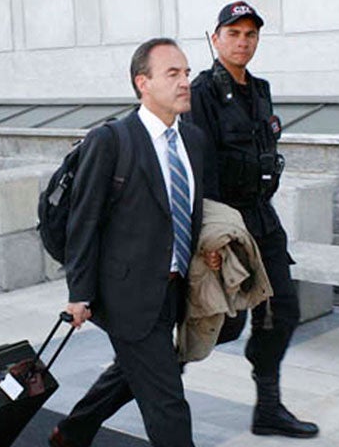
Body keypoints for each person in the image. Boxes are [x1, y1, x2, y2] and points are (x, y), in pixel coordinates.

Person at [49, 38, 212, 447]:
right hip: (126, 294)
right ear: (143, 83)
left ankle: (72, 432)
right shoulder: (111, 140)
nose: (185, 82)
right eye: (172, 73)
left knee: (135, 369)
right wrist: (79, 294)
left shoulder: (193, 141)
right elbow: (84, 221)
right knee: (167, 402)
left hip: (174, 289)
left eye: (186, 73)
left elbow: (188, 211)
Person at [186, 1, 319, 438]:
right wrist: (209, 240)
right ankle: (137, 381)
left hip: (263, 219)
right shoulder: (201, 93)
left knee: (282, 313)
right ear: (215, 38)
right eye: (234, 33)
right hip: (226, 224)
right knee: (218, 325)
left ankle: (268, 409)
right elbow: (200, 171)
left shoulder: (260, 90)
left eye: (250, 34)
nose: (243, 42)